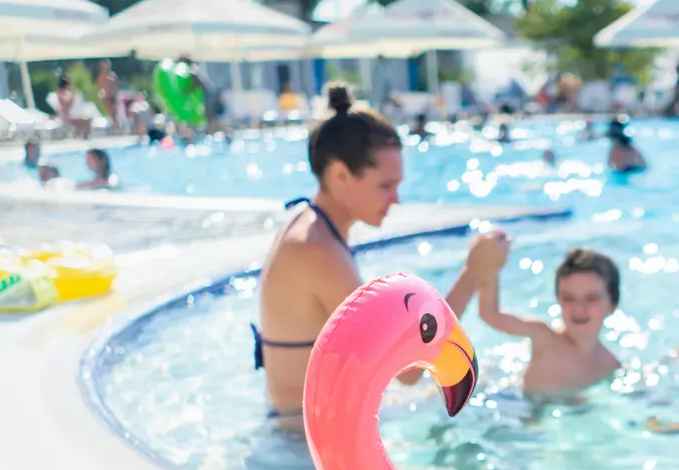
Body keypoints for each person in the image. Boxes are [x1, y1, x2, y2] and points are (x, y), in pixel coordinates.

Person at [251, 84, 494, 423]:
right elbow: (408, 372)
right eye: (385, 186)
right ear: (340, 175)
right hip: (302, 446)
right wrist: (472, 275)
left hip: (305, 427)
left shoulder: (311, 226)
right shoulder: (316, 250)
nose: (396, 199)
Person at [476, 242, 621, 394]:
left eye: (591, 298)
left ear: (612, 305)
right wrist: (491, 265)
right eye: (569, 298)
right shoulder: (545, 338)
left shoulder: (609, 364)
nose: (578, 308)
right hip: (518, 405)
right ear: (558, 300)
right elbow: (490, 315)